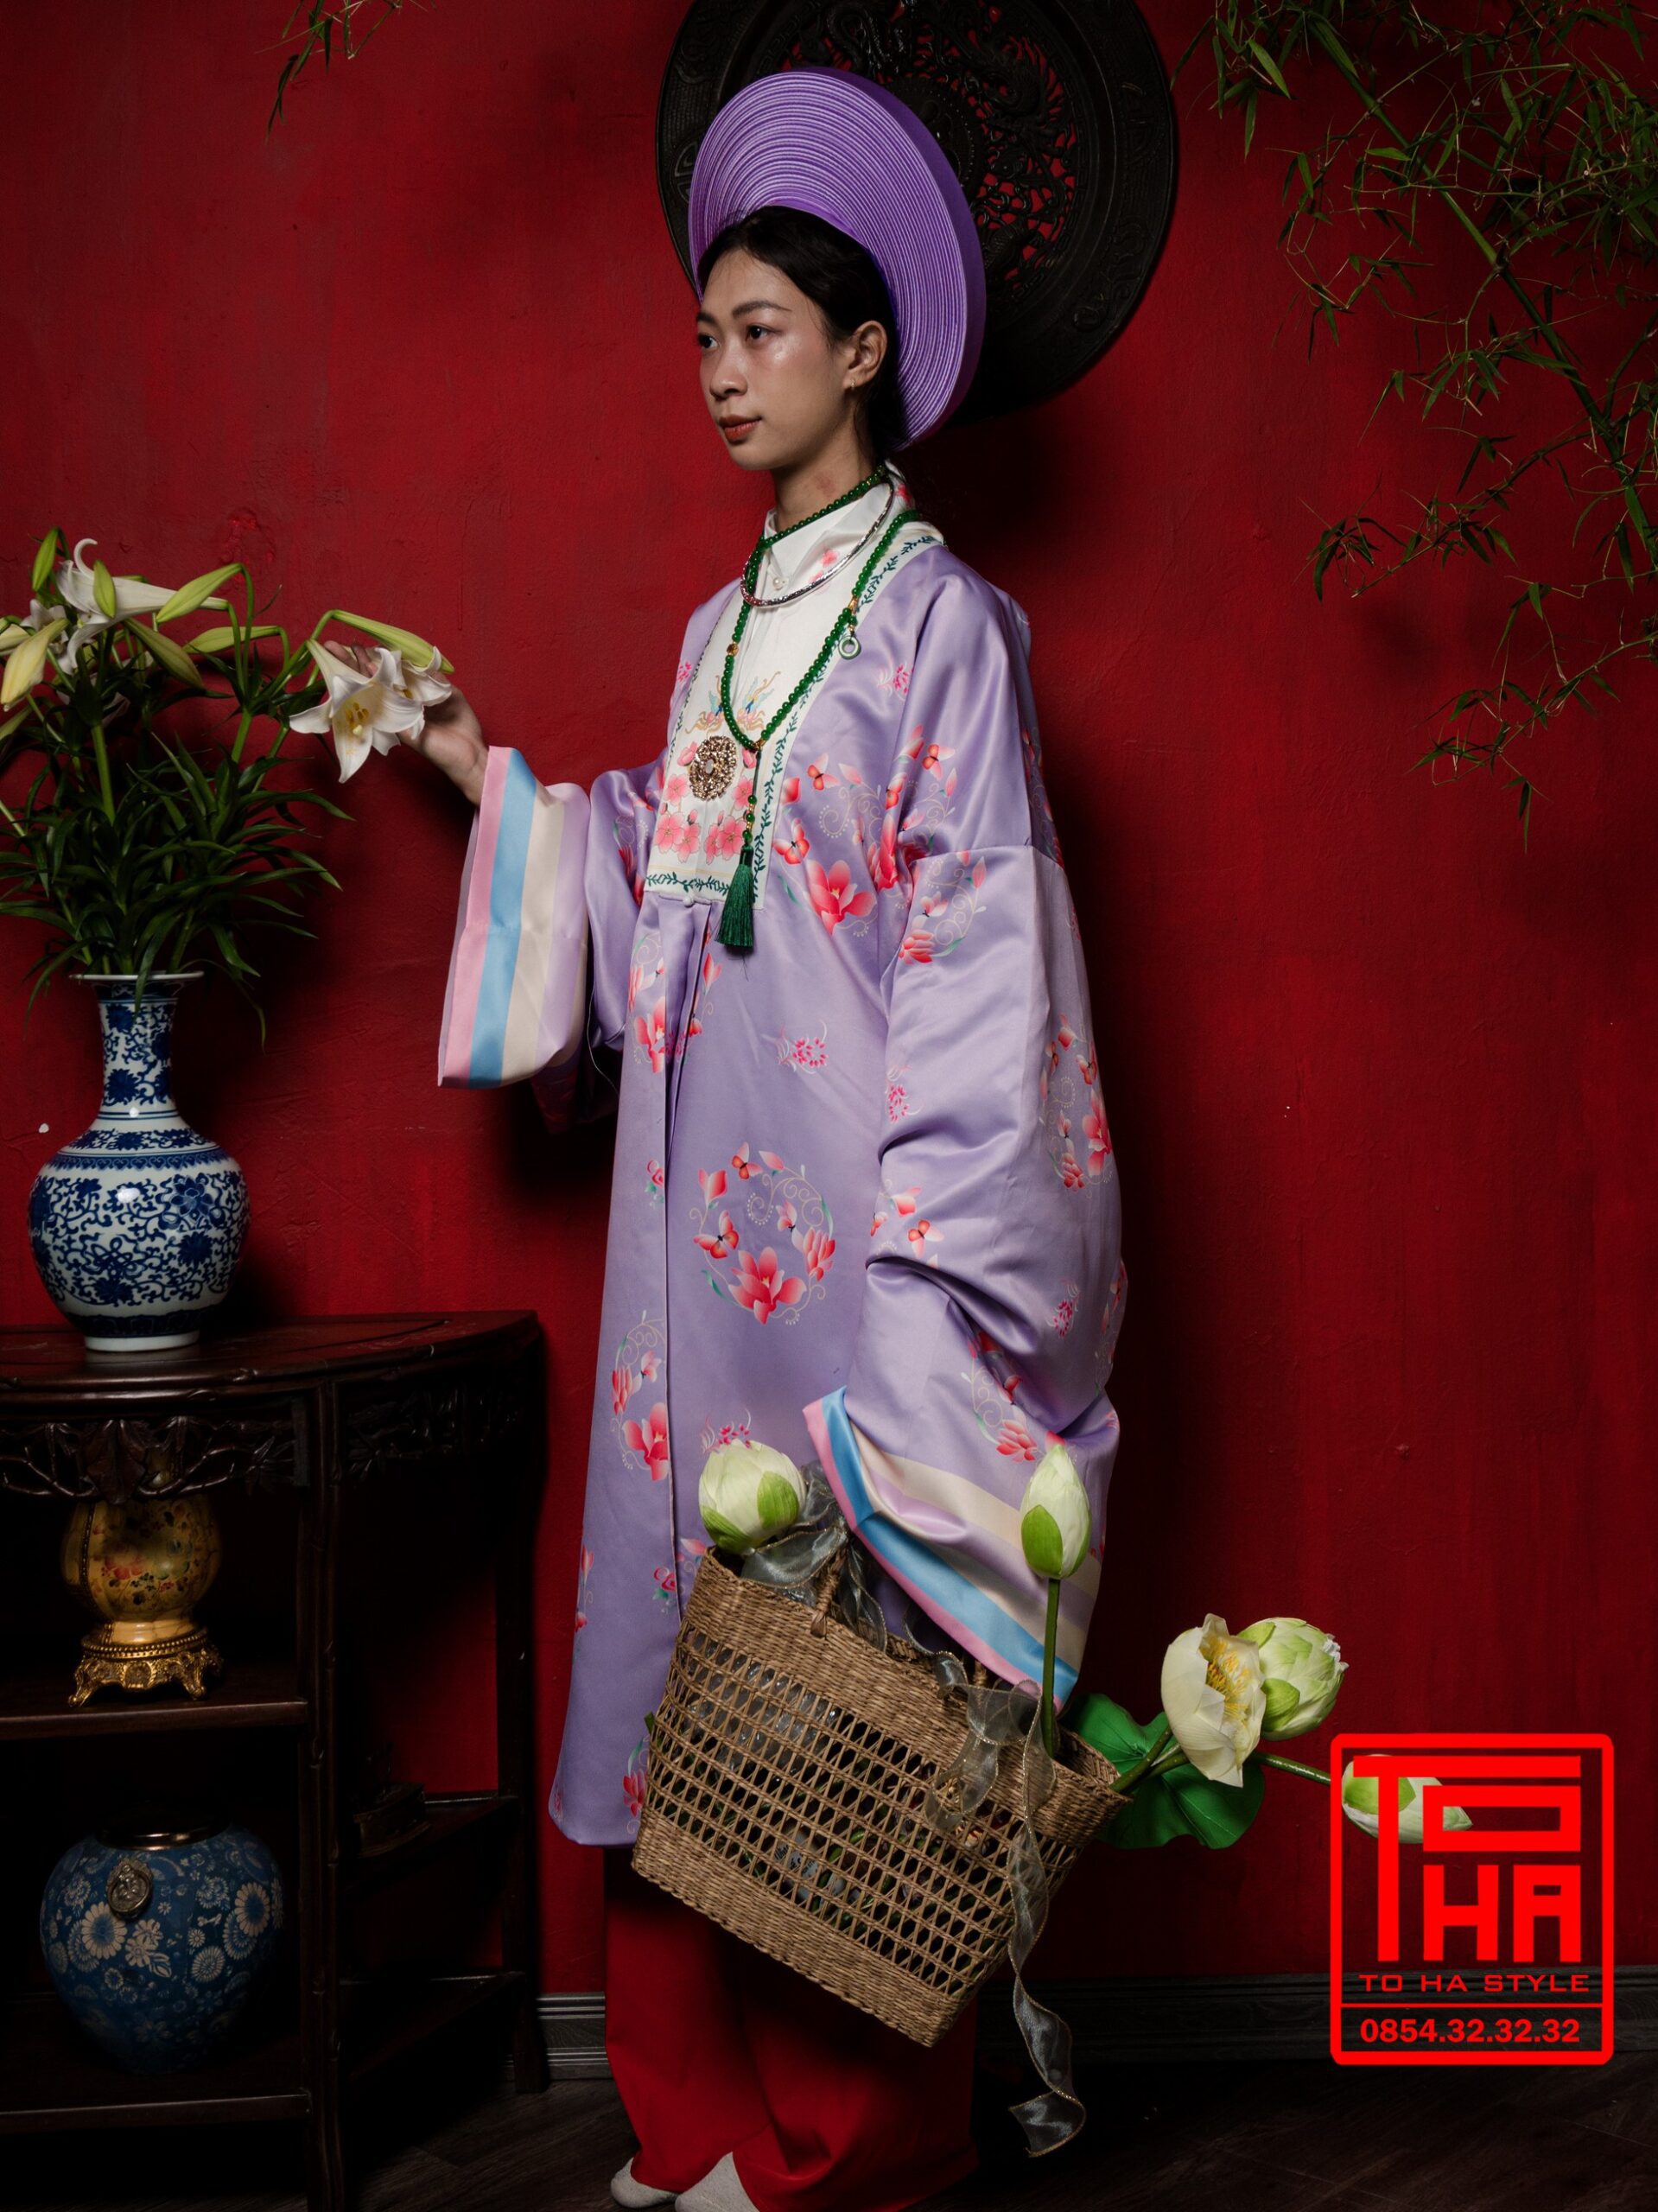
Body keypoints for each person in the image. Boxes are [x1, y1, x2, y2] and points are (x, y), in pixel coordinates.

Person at [382, 69, 1128, 2212]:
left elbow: (988, 959)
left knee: (857, 1685)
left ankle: (853, 2142)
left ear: (865, 350)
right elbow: (664, 883)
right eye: (705, 335)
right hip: (692, 1264)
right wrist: (489, 777)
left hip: (868, 1255)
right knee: (695, 1647)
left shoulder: (944, 626)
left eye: (764, 332)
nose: (721, 371)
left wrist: (928, 1280)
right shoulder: (722, 638)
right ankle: (696, 2110)